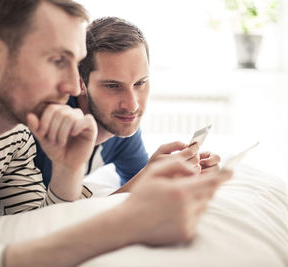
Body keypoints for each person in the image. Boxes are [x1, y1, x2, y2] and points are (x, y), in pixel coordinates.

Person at [0, 0, 232, 266]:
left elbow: (35, 223)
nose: (72, 87)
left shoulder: (14, 135)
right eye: (57, 61)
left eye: (75, 64)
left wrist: (68, 170)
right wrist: (123, 226)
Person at [34, 16, 221, 192]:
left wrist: (184, 178)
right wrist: (147, 177)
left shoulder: (121, 127)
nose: (132, 106)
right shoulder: (46, 129)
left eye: (140, 83)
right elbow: (49, 218)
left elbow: (134, 188)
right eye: (113, 85)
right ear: (80, 82)